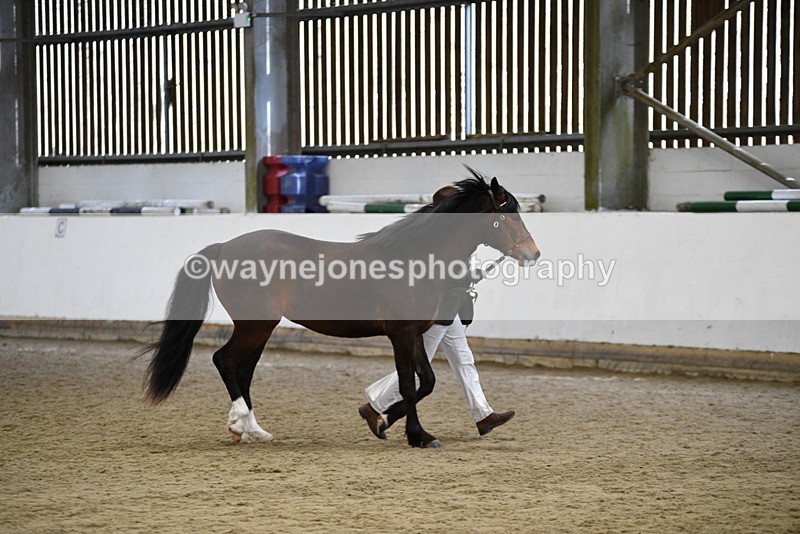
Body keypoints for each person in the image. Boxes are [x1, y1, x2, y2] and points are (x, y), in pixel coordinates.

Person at [358, 185, 515, 439]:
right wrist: (468, 275)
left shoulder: (452, 235)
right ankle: (374, 406)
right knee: (418, 364)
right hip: (437, 310)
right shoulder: (438, 238)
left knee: (464, 360)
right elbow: (439, 274)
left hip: (449, 308)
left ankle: (483, 414)